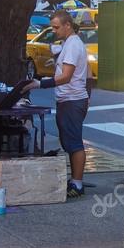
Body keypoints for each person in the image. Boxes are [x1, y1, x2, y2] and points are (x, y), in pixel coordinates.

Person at [26, 10, 89, 198]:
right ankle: (75, 180)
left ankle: (77, 183)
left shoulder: (73, 45)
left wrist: (41, 83)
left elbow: (66, 76)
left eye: (56, 27)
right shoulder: (69, 44)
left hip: (72, 99)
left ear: (67, 25)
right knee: (69, 141)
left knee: (74, 142)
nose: (54, 31)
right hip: (69, 99)